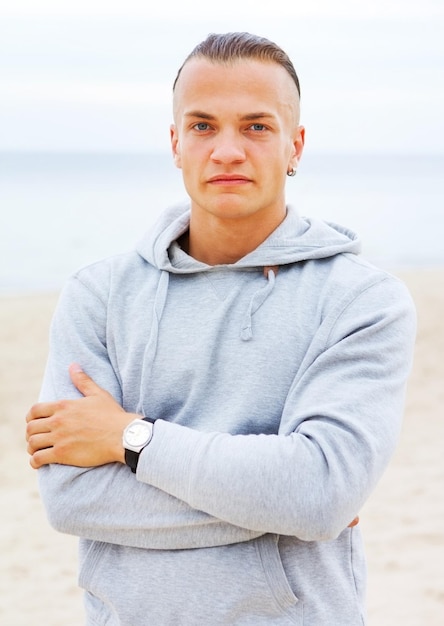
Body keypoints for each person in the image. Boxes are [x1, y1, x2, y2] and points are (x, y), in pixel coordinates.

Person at [26, 32, 416, 625]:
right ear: (176, 143)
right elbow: (72, 499)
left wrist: (130, 440)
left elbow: (319, 494)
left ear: (296, 145)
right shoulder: (97, 295)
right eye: (204, 126)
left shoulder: (363, 301)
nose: (228, 150)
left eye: (256, 126)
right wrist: (280, 498)